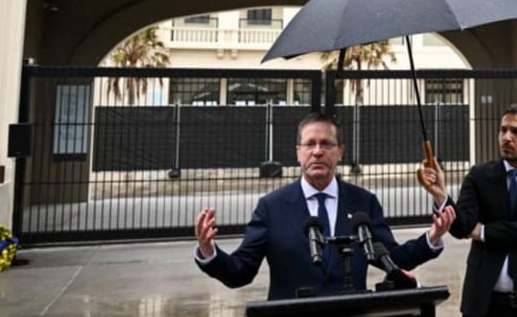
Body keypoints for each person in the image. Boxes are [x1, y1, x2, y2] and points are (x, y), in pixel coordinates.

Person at [193, 112, 454, 300]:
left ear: (340, 151)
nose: (317, 151)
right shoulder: (271, 207)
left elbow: (393, 259)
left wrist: (432, 238)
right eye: (310, 144)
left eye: (326, 144)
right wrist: (209, 251)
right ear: (298, 152)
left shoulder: (363, 202)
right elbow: (241, 272)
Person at [422, 106, 517, 317]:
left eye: (516, 131)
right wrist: (440, 195)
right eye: (503, 130)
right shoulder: (479, 175)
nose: (506, 137)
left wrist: (484, 232)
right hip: (483, 301)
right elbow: (462, 227)